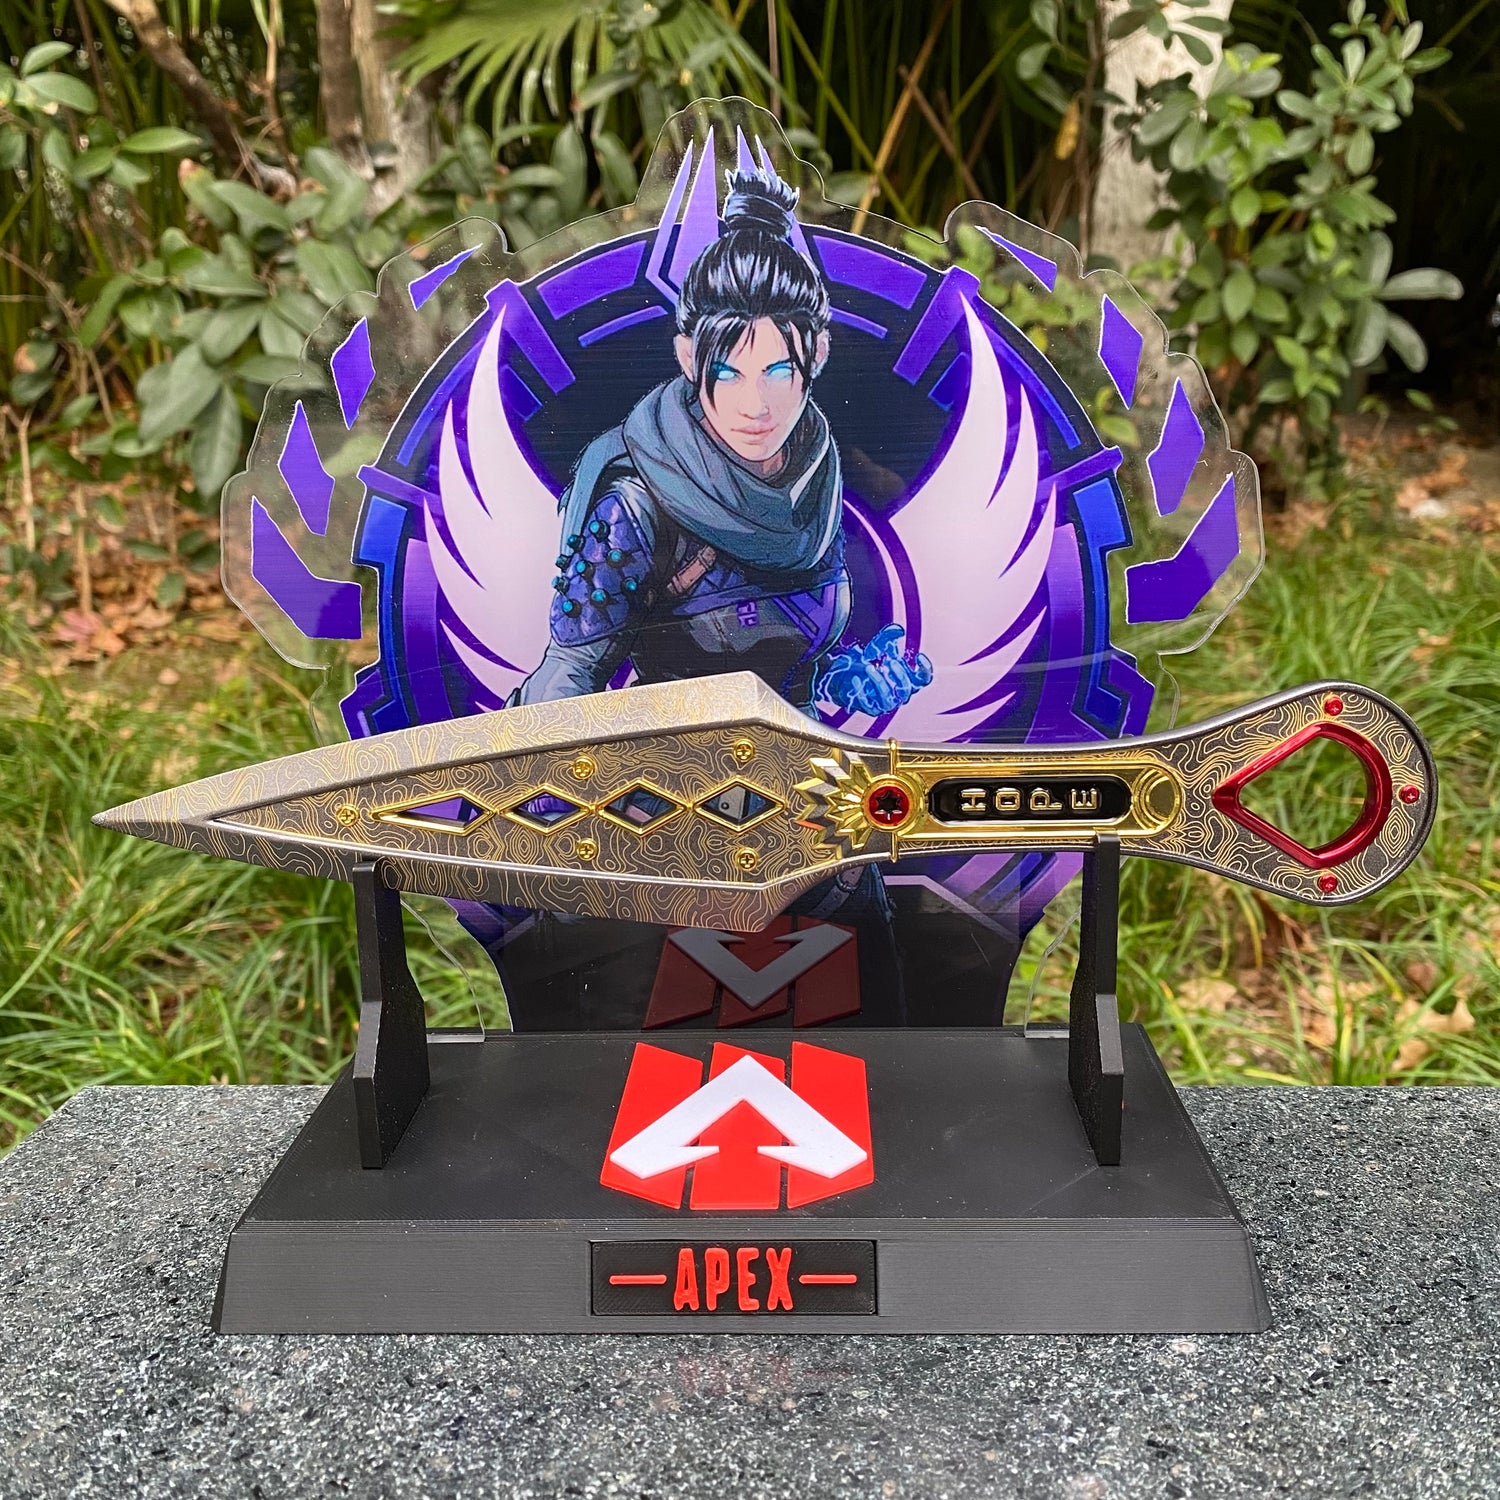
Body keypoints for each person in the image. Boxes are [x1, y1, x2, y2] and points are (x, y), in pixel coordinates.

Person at [515, 168, 930, 717]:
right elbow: (567, 678)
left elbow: (783, 663)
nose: (755, 405)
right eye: (728, 373)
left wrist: (836, 678)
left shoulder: (814, 480)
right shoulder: (637, 507)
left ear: (818, 355)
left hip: (797, 765)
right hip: (671, 765)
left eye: (778, 372)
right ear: (689, 359)